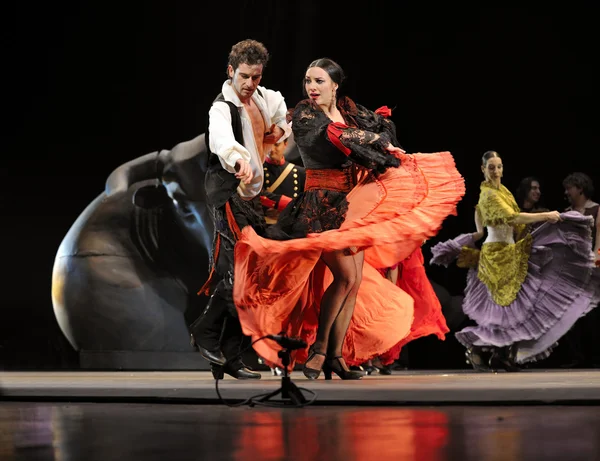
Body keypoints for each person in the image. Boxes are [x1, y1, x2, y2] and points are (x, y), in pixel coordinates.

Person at [232, 57, 466, 380]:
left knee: (353, 282)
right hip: (321, 207)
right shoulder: (304, 114)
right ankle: (319, 349)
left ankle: (336, 357)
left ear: (335, 85)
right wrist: (369, 140)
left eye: (319, 81)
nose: (311, 88)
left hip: (352, 205)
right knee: (343, 277)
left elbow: (381, 131)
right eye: (308, 81)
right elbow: (335, 136)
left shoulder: (349, 111)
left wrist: (381, 143)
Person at [430, 150, 599, 371]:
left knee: (518, 308)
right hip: (496, 256)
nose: (496, 171)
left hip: (511, 252)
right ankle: (478, 349)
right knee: (504, 310)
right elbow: (510, 217)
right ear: (483, 170)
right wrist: (545, 216)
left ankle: (503, 354)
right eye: (491, 167)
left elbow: (513, 223)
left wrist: (539, 230)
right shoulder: (488, 195)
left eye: (499, 166)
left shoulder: (504, 192)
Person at [188, 39, 292, 380]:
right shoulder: (222, 107)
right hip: (227, 191)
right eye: (244, 76)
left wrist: (280, 130)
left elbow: (282, 116)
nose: (250, 84)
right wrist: (238, 160)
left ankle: (232, 353)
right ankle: (204, 331)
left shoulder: (265, 98)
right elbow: (221, 141)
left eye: (256, 77)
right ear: (231, 71)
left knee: (253, 276)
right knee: (238, 273)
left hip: (250, 196)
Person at [260, 136, 306, 225]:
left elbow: (307, 199)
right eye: (268, 145)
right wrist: (284, 203)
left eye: (276, 145)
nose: (272, 149)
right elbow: (254, 194)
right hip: (264, 224)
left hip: (290, 225)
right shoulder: (258, 169)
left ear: (285, 144)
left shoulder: (300, 172)